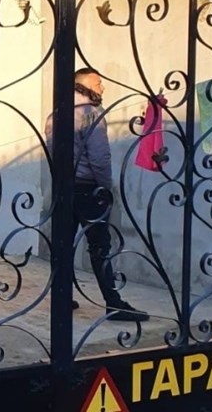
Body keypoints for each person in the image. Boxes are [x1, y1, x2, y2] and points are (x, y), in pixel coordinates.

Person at [45, 69, 149, 322]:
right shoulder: (90, 113)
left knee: (62, 245)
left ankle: (61, 298)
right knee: (100, 247)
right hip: (88, 189)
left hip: (63, 188)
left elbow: (52, 153)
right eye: (98, 83)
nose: (102, 87)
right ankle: (113, 303)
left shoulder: (56, 114)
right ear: (83, 85)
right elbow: (100, 158)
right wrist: (105, 187)